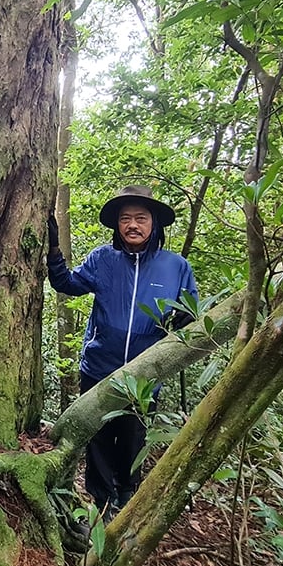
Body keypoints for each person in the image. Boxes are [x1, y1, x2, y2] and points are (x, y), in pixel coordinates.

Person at [48, 185, 197, 521]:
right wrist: (53, 247)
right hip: (100, 368)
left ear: (154, 224)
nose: (132, 225)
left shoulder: (176, 267)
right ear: (117, 225)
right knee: (98, 438)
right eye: (125, 218)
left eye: (140, 218)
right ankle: (99, 503)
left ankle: (125, 499)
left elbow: (191, 314)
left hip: (147, 375)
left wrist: (186, 318)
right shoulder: (103, 259)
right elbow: (68, 285)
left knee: (132, 439)